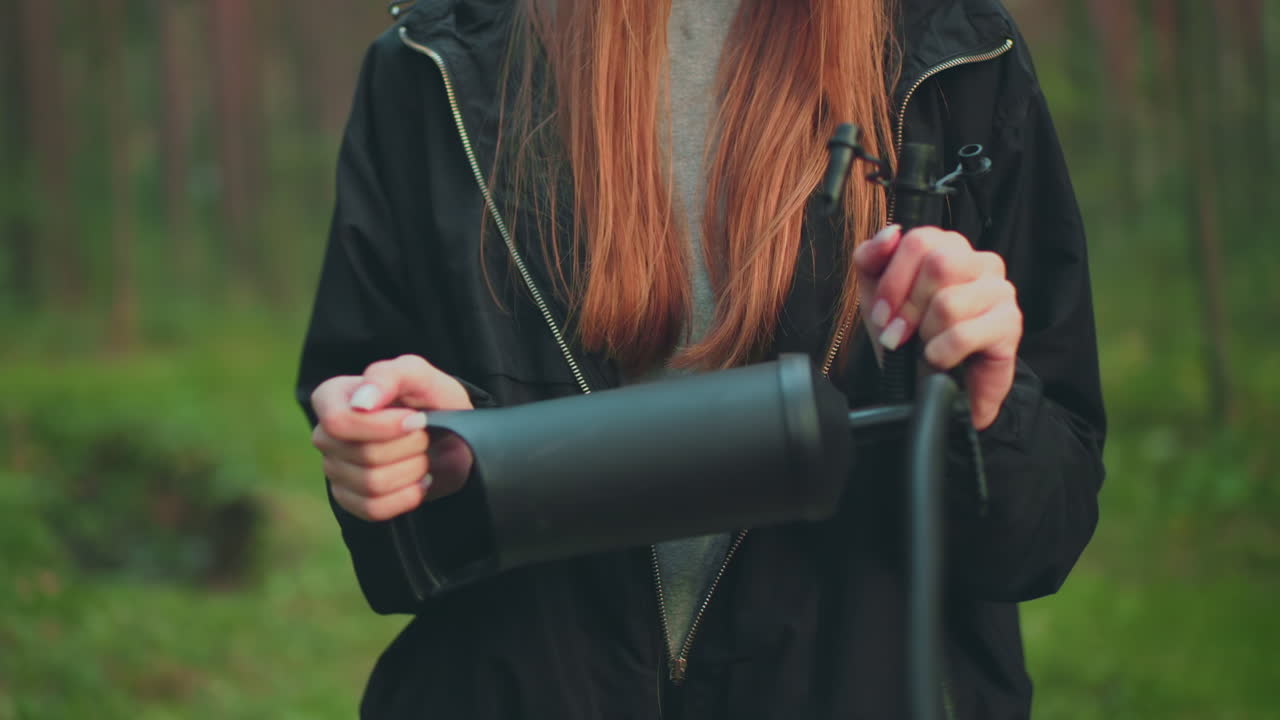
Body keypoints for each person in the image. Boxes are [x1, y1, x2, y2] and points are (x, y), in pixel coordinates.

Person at [296, 0, 1105, 717]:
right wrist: (410, 452)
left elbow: (1041, 534)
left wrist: (990, 412)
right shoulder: (435, 63)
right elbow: (398, 558)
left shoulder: (956, 50)